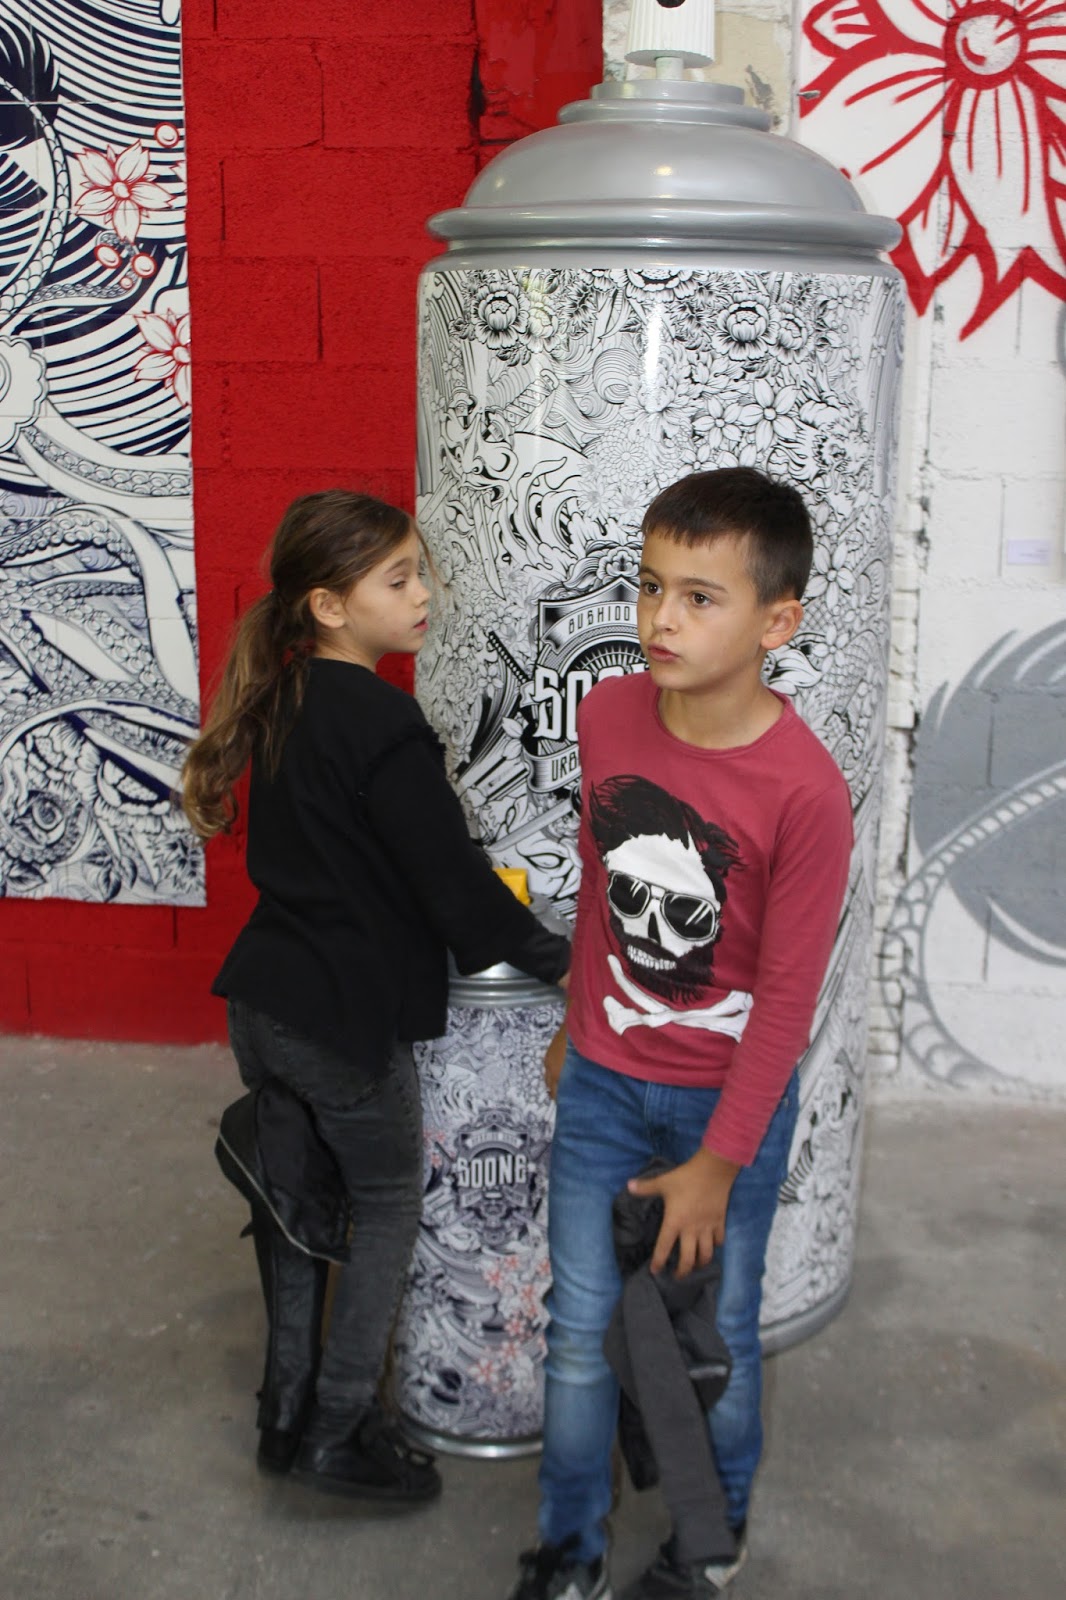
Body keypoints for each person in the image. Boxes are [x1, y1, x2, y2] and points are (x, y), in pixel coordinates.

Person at [181, 489, 570, 1505]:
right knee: (388, 1205)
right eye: (398, 580)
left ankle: (285, 1413)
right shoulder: (384, 722)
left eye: (420, 574)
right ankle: (341, 1428)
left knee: (296, 1206)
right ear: (328, 605)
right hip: (341, 1018)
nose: (423, 594)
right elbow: (452, 885)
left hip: (264, 1002)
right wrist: (556, 958)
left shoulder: (286, 697)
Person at [507, 467, 853, 1600]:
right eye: (652, 586)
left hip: (724, 1108)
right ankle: (569, 1548)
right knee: (579, 1327)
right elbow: (601, 891)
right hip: (606, 1083)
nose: (661, 617)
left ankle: (709, 1537)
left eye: (701, 597)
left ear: (775, 623)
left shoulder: (804, 792)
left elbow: (786, 1002)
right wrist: (579, 1023)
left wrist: (717, 1164)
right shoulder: (609, 714)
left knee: (722, 1334)